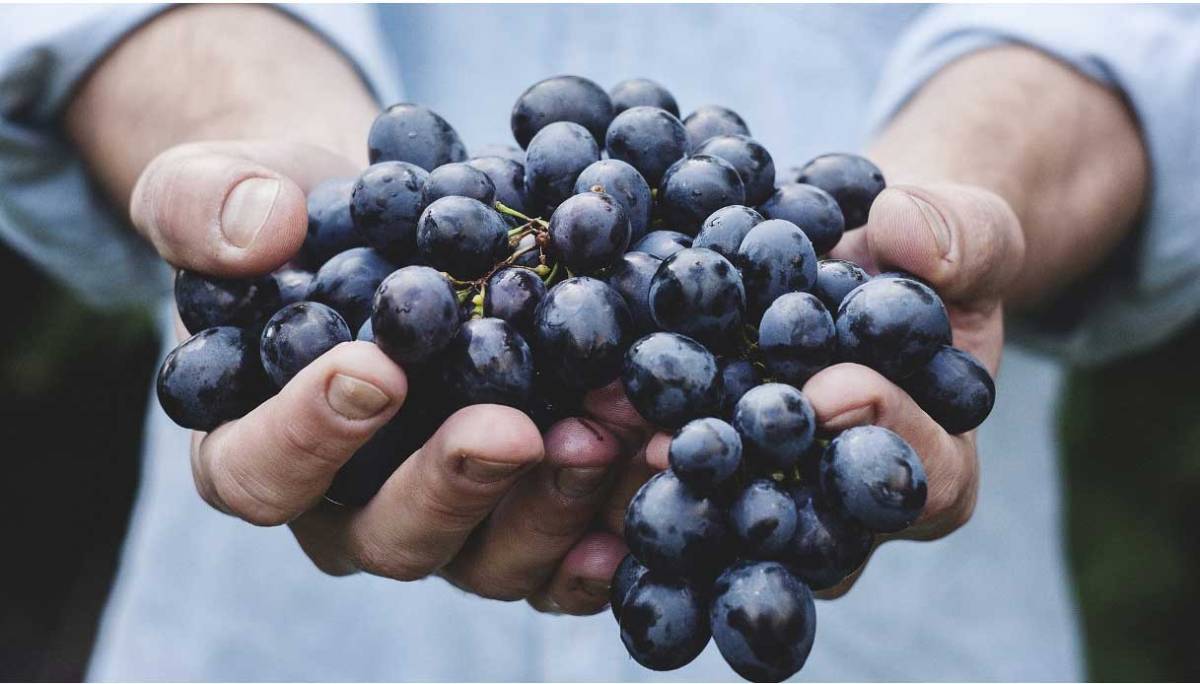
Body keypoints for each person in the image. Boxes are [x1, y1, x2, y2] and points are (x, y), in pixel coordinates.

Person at [1, 4, 1197, 680]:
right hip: (280, 637)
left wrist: (966, 197)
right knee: (354, 387)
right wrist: (251, 149)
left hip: (908, 620)